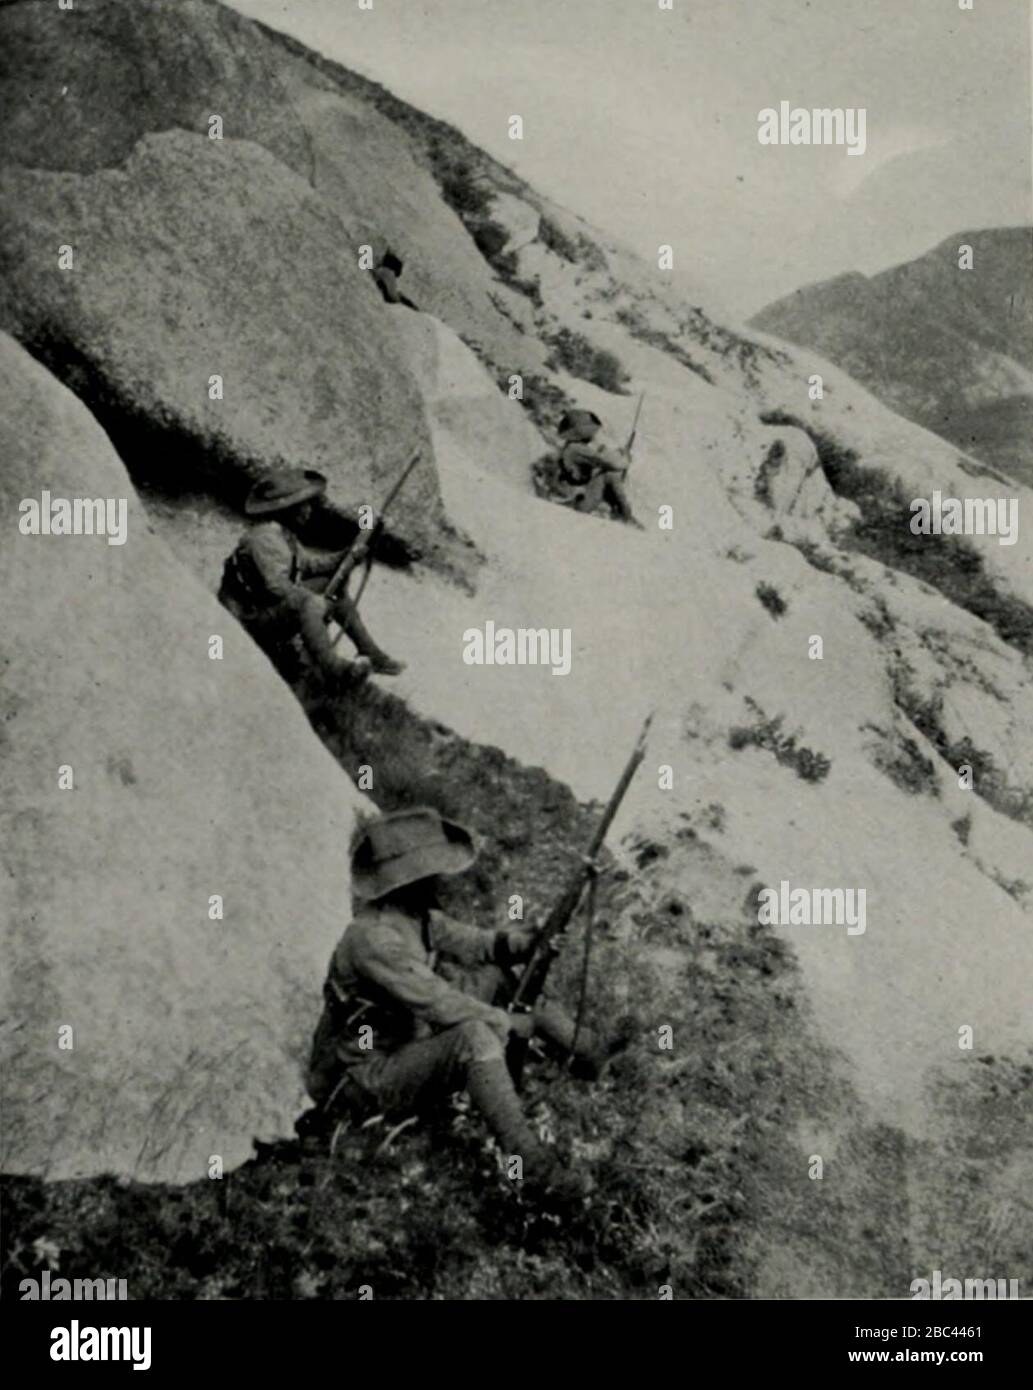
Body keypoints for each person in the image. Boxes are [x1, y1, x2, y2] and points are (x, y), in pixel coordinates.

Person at [305, 807, 603, 1202]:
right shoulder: (373, 939)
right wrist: (510, 1023)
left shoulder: (415, 916)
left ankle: (590, 1051)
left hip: (408, 1041)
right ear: (409, 880)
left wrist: (530, 942)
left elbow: (479, 943)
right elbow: (440, 1003)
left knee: (504, 977)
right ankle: (533, 1168)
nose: (441, 880)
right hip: (364, 1077)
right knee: (474, 1038)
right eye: (431, 873)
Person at [219, 465, 405, 685]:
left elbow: (311, 565)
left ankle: (371, 654)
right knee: (310, 602)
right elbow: (278, 589)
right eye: (302, 506)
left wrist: (349, 554)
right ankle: (334, 670)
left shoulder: (284, 535)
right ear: (287, 509)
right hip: (249, 620)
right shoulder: (265, 539)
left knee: (326, 588)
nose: (309, 511)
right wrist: (316, 606)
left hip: (267, 610)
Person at [539, 409, 644, 528]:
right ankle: (625, 515)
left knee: (605, 473)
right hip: (578, 501)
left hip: (575, 493)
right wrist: (625, 458)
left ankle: (620, 512)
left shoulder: (572, 447)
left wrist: (615, 454)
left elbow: (597, 459)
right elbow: (612, 463)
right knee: (610, 474)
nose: (593, 434)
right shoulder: (578, 449)